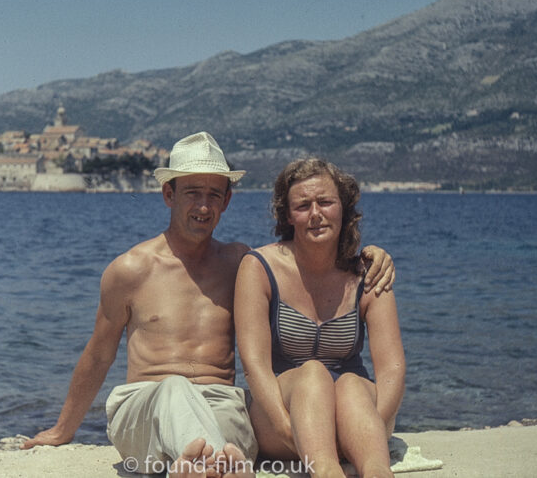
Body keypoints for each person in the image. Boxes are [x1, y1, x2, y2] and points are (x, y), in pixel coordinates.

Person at [22, 133, 395, 477]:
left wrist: (369, 256)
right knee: (174, 388)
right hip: (147, 408)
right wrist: (62, 429)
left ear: (227, 201)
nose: (203, 205)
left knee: (225, 411)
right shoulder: (130, 269)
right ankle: (216, 463)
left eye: (214, 194)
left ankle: (205, 464)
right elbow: (99, 354)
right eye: (192, 192)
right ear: (169, 194)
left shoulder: (241, 264)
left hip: (223, 407)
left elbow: (302, 263)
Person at [234, 158, 405, 478]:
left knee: (353, 384)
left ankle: (378, 472)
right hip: (283, 417)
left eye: (326, 202)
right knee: (312, 374)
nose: (316, 214)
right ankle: (326, 471)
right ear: (288, 215)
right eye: (303, 205)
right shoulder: (258, 267)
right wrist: (291, 432)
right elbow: (254, 367)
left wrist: (375, 429)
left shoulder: (368, 273)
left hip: (357, 417)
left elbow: (392, 368)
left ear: (343, 207)